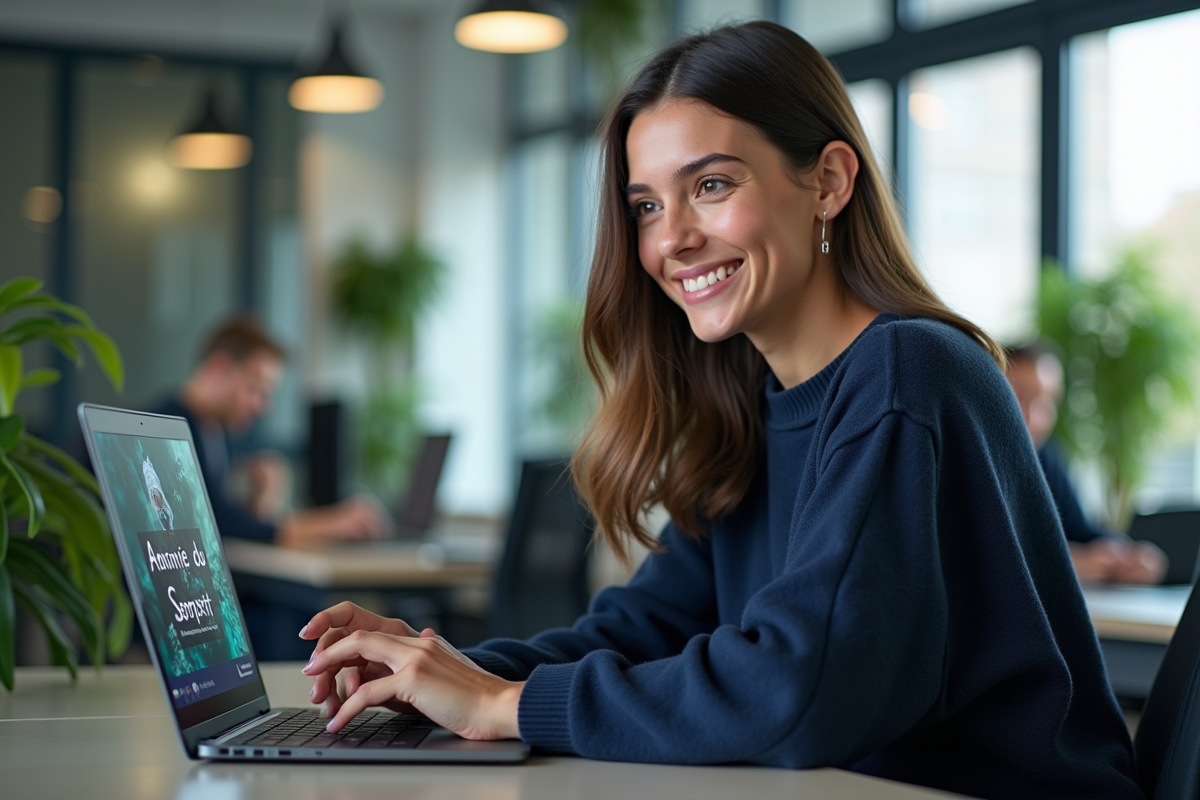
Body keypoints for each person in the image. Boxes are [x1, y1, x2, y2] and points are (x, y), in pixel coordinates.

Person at [295, 23, 1139, 800]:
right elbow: (640, 630)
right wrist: (432, 672)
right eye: (648, 205)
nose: (671, 240)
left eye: (710, 184)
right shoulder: (751, 402)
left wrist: (504, 705)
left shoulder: (904, 371)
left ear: (830, 182)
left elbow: (796, 690)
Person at [155, 316, 386, 545]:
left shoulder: (214, 431)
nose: (263, 407)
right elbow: (218, 526)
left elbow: (226, 525)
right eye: (256, 389)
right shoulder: (165, 428)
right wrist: (332, 523)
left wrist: (261, 501)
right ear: (219, 367)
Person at [1004, 341, 1166, 585]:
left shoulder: (1046, 455)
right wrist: (1065, 561)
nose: (1034, 417)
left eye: (1047, 402)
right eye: (1020, 397)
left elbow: (1081, 531)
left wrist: (1127, 554)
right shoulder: (970, 461)